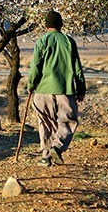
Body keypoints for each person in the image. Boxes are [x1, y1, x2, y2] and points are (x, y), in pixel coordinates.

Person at [26, 10, 86, 166]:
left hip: (42, 90)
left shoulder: (41, 41)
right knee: (68, 122)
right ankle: (57, 147)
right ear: (61, 24)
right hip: (65, 90)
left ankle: (45, 157)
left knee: (44, 124)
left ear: (46, 26)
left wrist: (31, 85)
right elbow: (77, 68)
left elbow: (35, 67)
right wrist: (81, 89)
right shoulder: (68, 41)